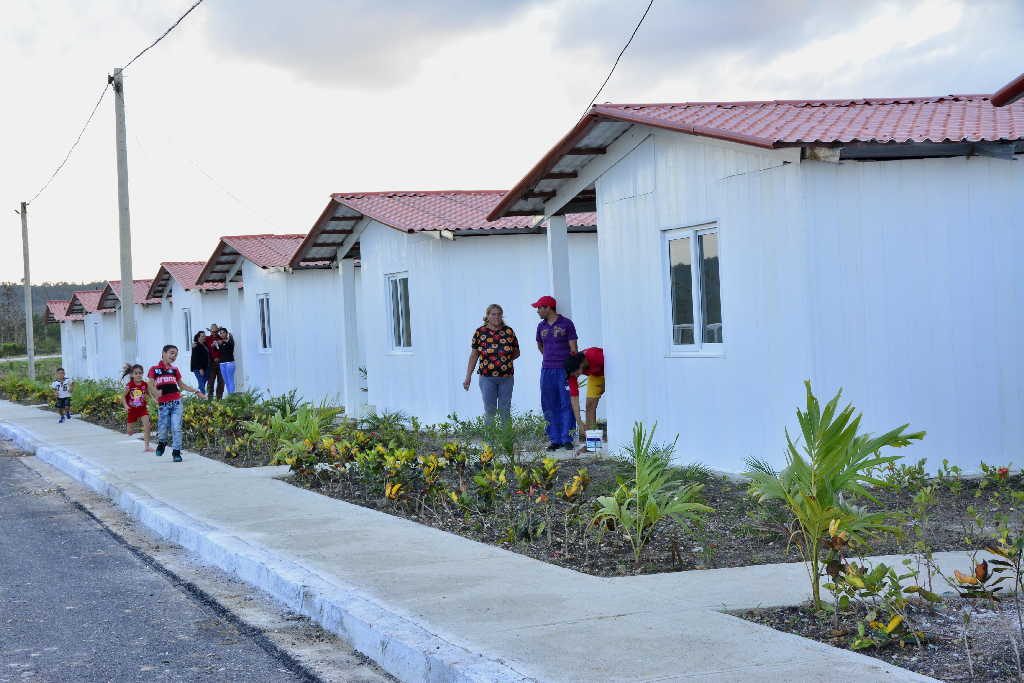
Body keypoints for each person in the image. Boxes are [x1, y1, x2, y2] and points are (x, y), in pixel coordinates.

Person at [532, 295, 578, 451]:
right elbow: (540, 346)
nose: (538, 311)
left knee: (566, 403)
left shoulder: (566, 324)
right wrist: (550, 358)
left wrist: (571, 368)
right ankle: (554, 439)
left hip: (564, 370)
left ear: (548, 307)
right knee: (549, 404)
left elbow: (573, 349)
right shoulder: (541, 326)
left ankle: (567, 438)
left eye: (540, 308)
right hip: (547, 370)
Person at [147, 344, 206, 462]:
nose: (174, 356)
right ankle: (162, 442)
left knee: (176, 428)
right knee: (162, 428)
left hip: (176, 403)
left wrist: (196, 391)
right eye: (171, 353)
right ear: (164, 353)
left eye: (176, 354)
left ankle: (176, 452)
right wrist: (154, 396)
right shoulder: (154, 369)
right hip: (163, 405)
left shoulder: (174, 370)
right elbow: (150, 384)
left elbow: (181, 385)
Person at [463, 304, 520, 424]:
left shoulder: (509, 331)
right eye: (493, 314)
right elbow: (474, 355)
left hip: (506, 377)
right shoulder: (480, 332)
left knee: (505, 410)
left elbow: (516, 352)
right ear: (487, 316)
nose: (497, 317)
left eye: (499, 314)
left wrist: (504, 361)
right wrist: (468, 376)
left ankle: (506, 441)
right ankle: (490, 442)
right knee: (490, 410)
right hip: (487, 377)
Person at [564, 347, 605, 452]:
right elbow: (574, 397)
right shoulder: (572, 372)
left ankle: (593, 444)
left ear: (580, 364)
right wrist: (579, 422)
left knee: (592, 404)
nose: (577, 376)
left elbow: (614, 363)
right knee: (589, 406)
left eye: (577, 373)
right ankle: (592, 445)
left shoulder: (595, 355)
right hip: (595, 375)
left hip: (610, 372)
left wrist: (605, 385)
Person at [122, 363, 153, 452]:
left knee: (147, 425)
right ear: (132, 375)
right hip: (132, 410)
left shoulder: (144, 384)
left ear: (142, 373)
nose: (138, 375)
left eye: (140, 373)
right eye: (136, 373)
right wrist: (126, 406)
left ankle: (147, 446)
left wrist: (154, 400)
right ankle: (131, 429)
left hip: (142, 409)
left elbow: (148, 393)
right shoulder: (129, 385)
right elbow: (123, 397)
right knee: (130, 432)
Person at [204, 323, 224, 399]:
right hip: (211, 363)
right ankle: (210, 400)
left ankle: (219, 399)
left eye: (216, 331)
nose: (214, 333)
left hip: (221, 363)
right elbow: (199, 342)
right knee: (210, 382)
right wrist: (194, 344)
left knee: (221, 382)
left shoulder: (221, 338)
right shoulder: (207, 339)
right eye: (213, 332)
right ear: (210, 332)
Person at [216, 327, 237, 395]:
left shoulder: (230, 340)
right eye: (220, 333)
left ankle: (232, 396)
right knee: (226, 381)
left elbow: (230, 346)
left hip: (229, 363)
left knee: (230, 380)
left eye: (223, 333)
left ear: (226, 333)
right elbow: (218, 351)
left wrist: (223, 341)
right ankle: (230, 396)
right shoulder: (220, 342)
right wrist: (216, 344)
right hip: (222, 364)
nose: (222, 334)